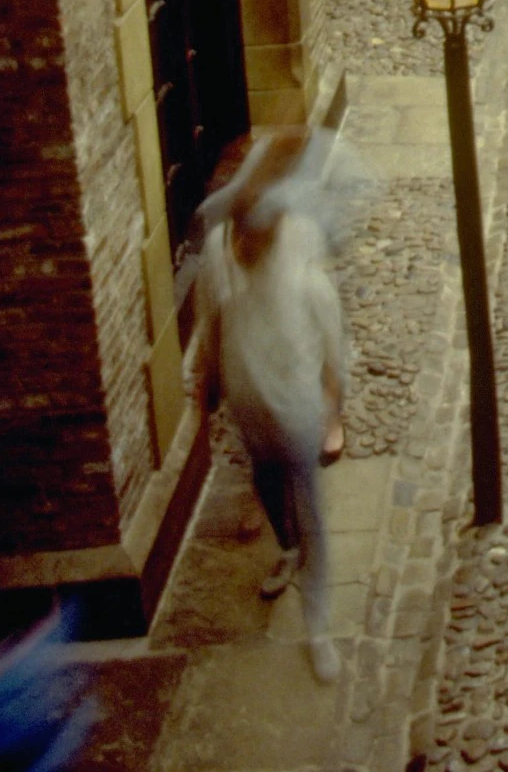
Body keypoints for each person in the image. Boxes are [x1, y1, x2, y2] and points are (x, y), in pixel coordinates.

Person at [191, 130, 349, 684]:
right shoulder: (221, 253)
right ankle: (285, 549)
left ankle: (318, 627)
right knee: (264, 478)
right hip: (249, 396)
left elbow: (326, 311)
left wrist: (334, 386)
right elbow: (211, 318)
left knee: (310, 510)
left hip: (297, 397)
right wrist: (209, 378)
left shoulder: (297, 236)